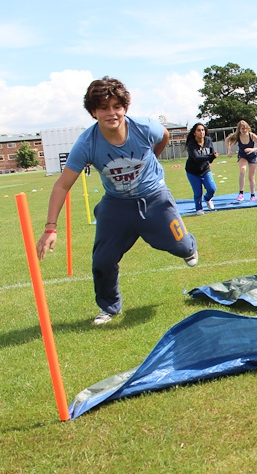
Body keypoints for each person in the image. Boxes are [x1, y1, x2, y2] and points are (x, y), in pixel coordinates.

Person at [36, 76, 198, 325]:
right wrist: (50, 228)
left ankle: (189, 245)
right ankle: (110, 307)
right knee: (102, 261)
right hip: (116, 204)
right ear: (93, 111)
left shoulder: (144, 127)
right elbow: (62, 184)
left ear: (125, 108)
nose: (111, 113)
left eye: (116, 107)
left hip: (154, 197)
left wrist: (153, 156)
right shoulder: (86, 144)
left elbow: (163, 135)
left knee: (182, 248)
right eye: (103, 108)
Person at [226, 120, 257, 202]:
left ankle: (253, 195)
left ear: (248, 128)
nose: (244, 131)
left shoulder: (252, 135)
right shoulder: (237, 136)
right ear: (239, 129)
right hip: (243, 155)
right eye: (242, 129)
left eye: (245, 129)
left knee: (251, 177)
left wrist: (253, 149)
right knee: (242, 171)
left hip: (253, 156)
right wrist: (229, 150)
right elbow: (227, 140)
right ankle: (241, 193)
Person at [185, 122, 218, 215]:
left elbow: (211, 153)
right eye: (199, 130)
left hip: (205, 170)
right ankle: (199, 208)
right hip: (193, 171)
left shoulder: (208, 140)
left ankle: (207, 199)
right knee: (198, 192)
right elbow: (196, 158)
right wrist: (210, 156)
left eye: (203, 130)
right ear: (194, 133)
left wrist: (213, 156)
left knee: (212, 189)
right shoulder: (192, 144)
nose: (201, 132)